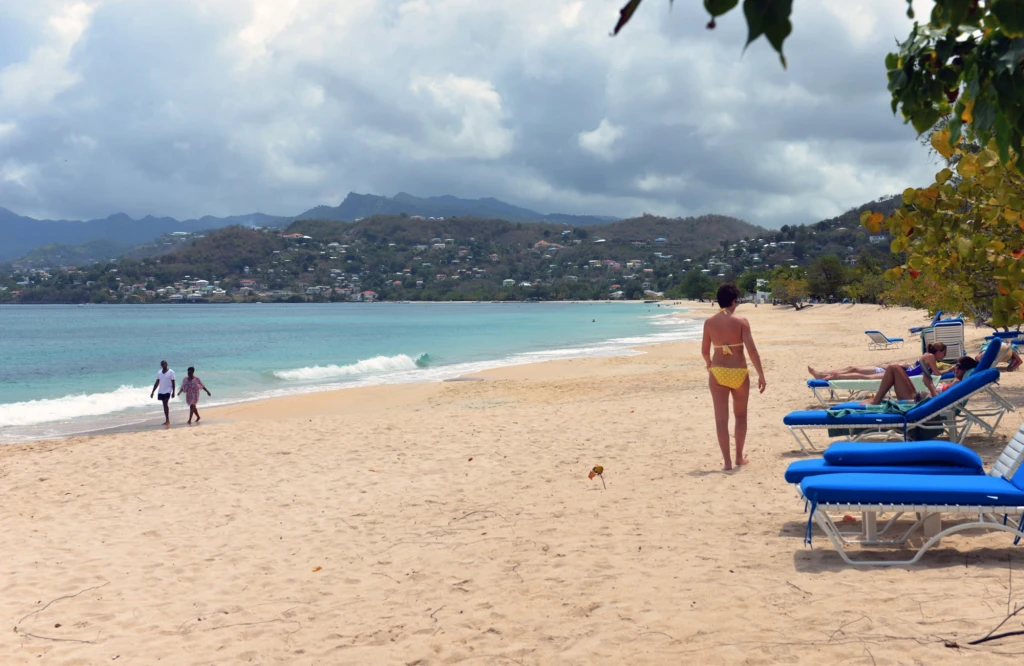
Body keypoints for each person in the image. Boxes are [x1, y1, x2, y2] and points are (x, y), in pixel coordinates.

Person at [701, 284, 767, 471]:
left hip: (718, 372)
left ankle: (727, 463)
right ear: (733, 301)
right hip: (738, 372)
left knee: (721, 420)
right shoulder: (741, 321)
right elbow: (752, 351)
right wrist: (761, 374)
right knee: (740, 415)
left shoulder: (709, 322)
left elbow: (705, 351)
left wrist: (709, 364)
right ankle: (738, 457)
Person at [863, 355, 978, 404]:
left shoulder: (958, 384)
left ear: (966, 371)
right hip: (917, 396)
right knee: (895, 369)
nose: (956, 368)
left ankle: (876, 400)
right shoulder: (958, 382)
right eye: (956, 365)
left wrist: (930, 385)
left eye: (960, 367)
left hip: (915, 400)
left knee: (893, 368)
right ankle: (876, 399)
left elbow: (940, 402)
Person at [808, 342, 948, 381]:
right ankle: (824, 374)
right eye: (944, 352)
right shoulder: (930, 357)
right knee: (859, 372)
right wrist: (951, 370)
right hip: (899, 373)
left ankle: (829, 375)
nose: (945, 355)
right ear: (939, 351)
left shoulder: (928, 355)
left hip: (898, 371)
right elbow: (937, 373)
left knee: (856, 370)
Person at [150, 360, 176, 426]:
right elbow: (157, 382)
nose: (164, 365)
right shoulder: (159, 373)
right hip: (161, 391)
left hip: (168, 390)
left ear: (167, 364)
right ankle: (167, 419)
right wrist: (153, 392)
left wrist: (173, 392)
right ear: (161, 365)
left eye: (165, 364)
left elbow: (173, 382)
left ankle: (167, 420)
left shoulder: (171, 372)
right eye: (162, 364)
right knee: (164, 405)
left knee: (165, 403)